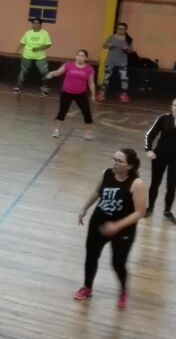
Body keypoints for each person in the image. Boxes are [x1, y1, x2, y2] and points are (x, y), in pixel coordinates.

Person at [73, 148, 147, 307]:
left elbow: (140, 212)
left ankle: (123, 291)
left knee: (117, 263)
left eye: (120, 161)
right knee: (91, 256)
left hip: (123, 228)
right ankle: (87, 287)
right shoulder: (106, 173)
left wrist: (116, 225)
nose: (115, 163)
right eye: (114, 159)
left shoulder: (137, 183)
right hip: (99, 222)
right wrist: (84, 208)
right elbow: (97, 192)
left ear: (130, 166)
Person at [45, 50, 95, 140]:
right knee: (62, 111)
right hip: (66, 92)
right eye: (78, 55)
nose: (80, 58)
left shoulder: (89, 69)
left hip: (81, 94)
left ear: (86, 58)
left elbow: (91, 83)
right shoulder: (68, 65)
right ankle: (56, 130)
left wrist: (93, 95)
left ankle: (88, 131)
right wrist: (52, 74)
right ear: (75, 56)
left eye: (82, 56)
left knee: (86, 112)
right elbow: (58, 72)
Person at [144, 98, 176, 221]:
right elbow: (149, 135)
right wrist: (149, 149)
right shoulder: (163, 119)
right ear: (171, 106)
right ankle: (150, 208)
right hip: (160, 156)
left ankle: (167, 211)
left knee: (172, 186)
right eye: (174, 105)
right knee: (155, 183)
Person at [14, 17, 52, 95]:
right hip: (27, 55)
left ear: (40, 24)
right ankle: (18, 87)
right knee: (23, 71)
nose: (35, 24)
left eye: (37, 23)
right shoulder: (28, 33)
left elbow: (48, 44)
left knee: (45, 72)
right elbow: (22, 43)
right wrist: (17, 50)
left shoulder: (45, 33)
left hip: (40, 57)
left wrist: (38, 48)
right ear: (32, 24)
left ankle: (44, 88)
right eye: (34, 23)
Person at [99, 23, 133, 103]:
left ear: (125, 30)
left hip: (122, 62)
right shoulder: (112, 37)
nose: (120, 30)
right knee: (106, 78)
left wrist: (126, 49)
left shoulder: (128, 39)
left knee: (124, 79)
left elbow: (131, 51)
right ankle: (102, 94)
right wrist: (108, 44)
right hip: (110, 61)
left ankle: (123, 95)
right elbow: (104, 46)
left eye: (122, 29)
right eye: (118, 28)